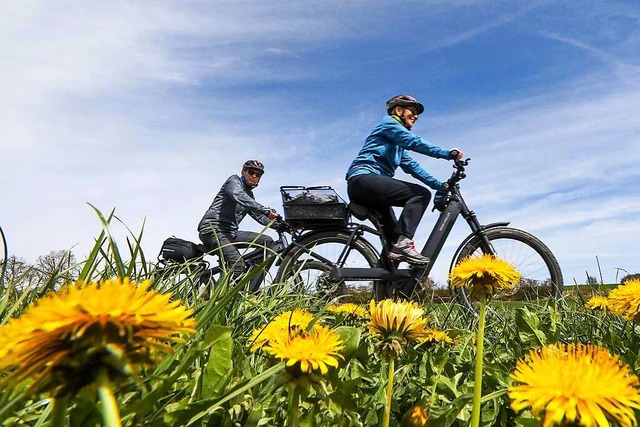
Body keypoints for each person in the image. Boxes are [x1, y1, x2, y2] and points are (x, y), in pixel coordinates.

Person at [345, 95, 463, 265]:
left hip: (371, 188)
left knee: (393, 243)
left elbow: (414, 168)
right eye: (412, 111)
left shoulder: (397, 146)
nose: (416, 116)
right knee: (421, 194)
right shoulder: (388, 124)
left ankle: (387, 285)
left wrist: (441, 185)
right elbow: (412, 141)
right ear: (398, 110)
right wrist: (446, 153)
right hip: (363, 179)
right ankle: (405, 243)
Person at [198, 160, 280, 290]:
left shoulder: (249, 195)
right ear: (243, 172)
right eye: (251, 172)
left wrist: (280, 225)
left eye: (258, 175)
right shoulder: (234, 181)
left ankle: (246, 273)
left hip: (231, 233)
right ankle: (216, 300)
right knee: (237, 265)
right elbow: (239, 195)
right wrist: (265, 209)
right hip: (212, 229)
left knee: (267, 242)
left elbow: (258, 216)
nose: (254, 176)